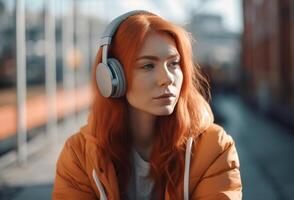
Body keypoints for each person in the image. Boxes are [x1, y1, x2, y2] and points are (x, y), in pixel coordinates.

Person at [52, 10, 242, 200]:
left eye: (174, 64)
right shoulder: (78, 155)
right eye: (148, 66)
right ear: (111, 78)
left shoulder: (215, 147)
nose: (167, 79)